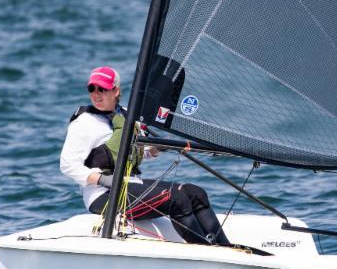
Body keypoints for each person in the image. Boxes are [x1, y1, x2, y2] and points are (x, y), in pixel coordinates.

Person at [60, 66, 230, 246]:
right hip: (103, 195)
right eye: (92, 89)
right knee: (177, 200)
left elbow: (139, 151)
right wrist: (103, 180)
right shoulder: (84, 123)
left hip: (131, 184)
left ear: (116, 90)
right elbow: (67, 165)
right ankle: (205, 251)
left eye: (102, 89)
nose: (96, 94)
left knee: (196, 193)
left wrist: (156, 148)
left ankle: (226, 248)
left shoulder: (127, 114)